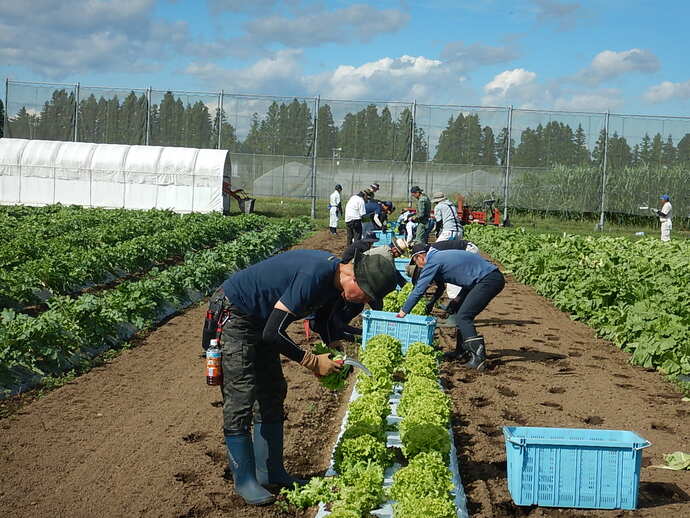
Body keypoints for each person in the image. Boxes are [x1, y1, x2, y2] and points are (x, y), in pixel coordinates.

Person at [208, 249, 398, 505]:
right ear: (354, 279)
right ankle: (244, 480)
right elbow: (274, 332)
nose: (363, 303)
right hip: (237, 313)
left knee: (274, 389)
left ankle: (270, 471)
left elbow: (322, 321)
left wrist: (332, 350)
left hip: (262, 320)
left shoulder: (334, 283)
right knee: (242, 394)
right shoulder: (315, 275)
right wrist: (312, 362)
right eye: (365, 297)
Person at [397, 244, 505, 371]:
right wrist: (456, 299)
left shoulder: (433, 261)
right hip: (483, 279)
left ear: (420, 256)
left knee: (464, 316)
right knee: (459, 309)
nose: (417, 265)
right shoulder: (438, 257)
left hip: (489, 279)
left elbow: (419, 289)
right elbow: (467, 277)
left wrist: (403, 312)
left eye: (415, 261)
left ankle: (479, 358)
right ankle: (462, 351)